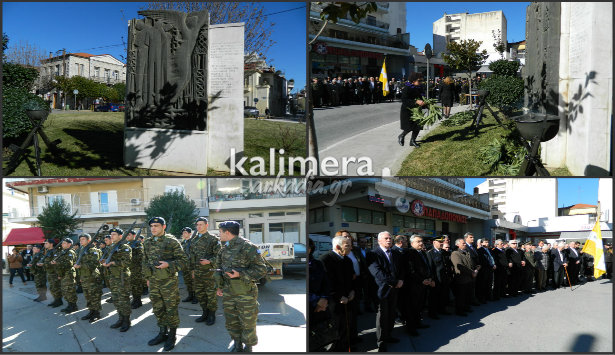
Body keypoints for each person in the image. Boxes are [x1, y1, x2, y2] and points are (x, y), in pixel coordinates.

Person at [215, 221, 267, 353]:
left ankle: (248, 347)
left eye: (220, 232)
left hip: (245, 293)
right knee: (231, 321)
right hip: (228, 292)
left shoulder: (248, 247)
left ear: (227, 232)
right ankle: (237, 345)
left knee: (248, 322)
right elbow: (219, 269)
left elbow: (261, 269)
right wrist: (219, 287)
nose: (218, 234)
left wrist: (241, 274)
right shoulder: (224, 248)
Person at [143, 217, 188, 351]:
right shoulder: (147, 242)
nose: (153, 228)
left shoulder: (171, 241)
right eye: (151, 226)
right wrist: (147, 277)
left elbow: (184, 260)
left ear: (163, 227)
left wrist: (169, 264)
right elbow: (145, 261)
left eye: (156, 226)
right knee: (157, 308)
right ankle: (162, 332)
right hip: (154, 281)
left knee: (171, 308)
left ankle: (172, 335)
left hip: (168, 282)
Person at [366, 231, 404, 352]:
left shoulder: (395, 253)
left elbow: (401, 268)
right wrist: (394, 282)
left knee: (392, 314)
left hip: (395, 289)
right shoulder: (372, 254)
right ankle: (381, 342)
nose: (389, 240)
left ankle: (389, 336)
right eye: (386, 238)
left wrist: (401, 280)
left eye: (390, 238)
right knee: (382, 316)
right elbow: (377, 272)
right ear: (379, 241)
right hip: (381, 290)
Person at [319, 234, 357, 352]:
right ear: (337, 247)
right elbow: (326, 283)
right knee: (334, 328)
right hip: (334, 302)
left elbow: (351, 279)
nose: (350, 248)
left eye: (351, 245)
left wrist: (352, 291)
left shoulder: (348, 260)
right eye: (347, 246)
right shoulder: (325, 259)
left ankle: (345, 347)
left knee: (346, 327)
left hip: (348, 300)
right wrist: (338, 296)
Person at [189, 217, 220, 325]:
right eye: (197, 225)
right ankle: (205, 313)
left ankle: (212, 315)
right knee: (200, 294)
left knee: (210, 295)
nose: (198, 227)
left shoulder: (213, 239)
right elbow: (192, 256)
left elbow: (219, 256)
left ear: (207, 225)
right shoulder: (194, 240)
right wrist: (192, 269)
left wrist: (209, 261)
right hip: (198, 273)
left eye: (201, 224)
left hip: (209, 272)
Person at [102, 228, 132, 332]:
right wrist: (105, 261)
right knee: (116, 299)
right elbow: (109, 259)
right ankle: (120, 318)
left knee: (123, 300)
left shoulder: (125, 247)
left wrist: (113, 263)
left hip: (122, 277)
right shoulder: (111, 247)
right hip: (113, 277)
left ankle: (126, 321)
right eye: (111, 235)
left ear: (120, 236)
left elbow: (127, 262)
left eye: (114, 234)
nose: (111, 236)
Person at [406, 234, 435, 333]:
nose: (421, 243)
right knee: (412, 307)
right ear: (412, 243)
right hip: (414, 285)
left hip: (424, 284)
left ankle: (418, 323)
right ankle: (411, 328)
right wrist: (421, 280)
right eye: (418, 241)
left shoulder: (422, 253)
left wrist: (430, 278)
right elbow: (411, 270)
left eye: (421, 241)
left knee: (420, 306)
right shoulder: (409, 253)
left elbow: (427, 267)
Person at [308, 238, 333, 352]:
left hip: (321, 307)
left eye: (308, 247)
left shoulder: (317, 263)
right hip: (310, 305)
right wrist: (316, 300)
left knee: (322, 336)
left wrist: (324, 298)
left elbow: (326, 283)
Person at [75, 233, 103, 322]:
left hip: (92, 276)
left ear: (88, 240)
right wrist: (80, 275)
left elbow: (94, 264)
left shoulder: (94, 250)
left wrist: (81, 266)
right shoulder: (81, 250)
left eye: (83, 239)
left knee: (94, 296)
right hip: (84, 276)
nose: (81, 241)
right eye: (80, 240)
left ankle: (96, 313)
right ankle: (91, 311)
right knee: (88, 296)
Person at [450, 239, 477, 316]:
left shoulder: (466, 252)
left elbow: (470, 264)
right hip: (461, 278)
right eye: (463, 243)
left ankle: (466, 307)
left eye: (465, 243)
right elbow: (459, 266)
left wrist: (475, 269)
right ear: (457, 244)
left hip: (469, 278)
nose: (465, 244)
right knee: (461, 296)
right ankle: (460, 311)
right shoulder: (455, 253)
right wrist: (472, 272)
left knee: (467, 295)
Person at [398, 72, 426, 147]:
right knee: (409, 127)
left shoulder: (419, 87)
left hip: (417, 110)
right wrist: (416, 101)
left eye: (421, 81)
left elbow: (422, 97)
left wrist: (424, 102)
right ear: (413, 80)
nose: (420, 82)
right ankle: (402, 136)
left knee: (418, 126)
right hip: (407, 110)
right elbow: (404, 100)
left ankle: (412, 141)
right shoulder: (407, 87)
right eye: (419, 81)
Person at [51, 238, 78, 313]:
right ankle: (69, 305)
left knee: (70, 290)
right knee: (65, 291)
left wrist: (57, 263)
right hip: (63, 274)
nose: (62, 244)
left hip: (68, 274)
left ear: (69, 244)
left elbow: (69, 264)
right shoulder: (63, 252)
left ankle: (73, 306)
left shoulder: (70, 252)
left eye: (64, 243)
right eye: (62, 243)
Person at [427, 237, 452, 316]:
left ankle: (442, 309)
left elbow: (447, 265)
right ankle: (433, 313)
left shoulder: (444, 252)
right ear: (434, 243)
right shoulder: (430, 253)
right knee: (434, 297)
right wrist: (432, 280)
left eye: (442, 242)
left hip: (444, 278)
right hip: (436, 279)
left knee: (443, 295)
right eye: (439, 242)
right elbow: (430, 268)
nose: (441, 243)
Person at [126, 230, 145, 309]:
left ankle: (138, 301)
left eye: (129, 235)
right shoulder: (127, 244)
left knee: (137, 285)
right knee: (132, 286)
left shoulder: (138, 244)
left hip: (136, 269)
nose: (127, 236)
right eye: (126, 235)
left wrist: (130, 257)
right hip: (129, 268)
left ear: (134, 236)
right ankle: (134, 300)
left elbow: (141, 256)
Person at [43, 239, 63, 307]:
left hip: (54, 272)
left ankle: (59, 301)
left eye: (46, 243)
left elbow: (56, 263)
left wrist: (59, 274)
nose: (45, 244)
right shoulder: (48, 251)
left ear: (51, 244)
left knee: (56, 287)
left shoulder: (55, 251)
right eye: (45, 243)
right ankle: (55, 300)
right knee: (52, 287)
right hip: (49, 272)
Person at [180, 227, 196, 303]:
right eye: (183, 233)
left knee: (194, 282)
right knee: (187, 282)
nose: (184, 234)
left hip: (192, 266)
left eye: (185, 232)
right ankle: (190, 295)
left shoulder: (193, 242)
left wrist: (194, 268)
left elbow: (195, 255)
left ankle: (196, 297)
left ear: (190, 234)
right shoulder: (182, 243)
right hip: (185, 266)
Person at [476, 238, 496, 303]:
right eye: (485, 242)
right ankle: (482, 298)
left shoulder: (490, 250)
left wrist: (494, 264)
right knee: (483, 284)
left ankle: (489, 296)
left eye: (487, 242)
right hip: (484, 269)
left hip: (490, 268)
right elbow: (482, 260)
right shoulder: (479, 250)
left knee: (489, 283)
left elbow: (492, 258)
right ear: (481, 243)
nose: (487, 243)